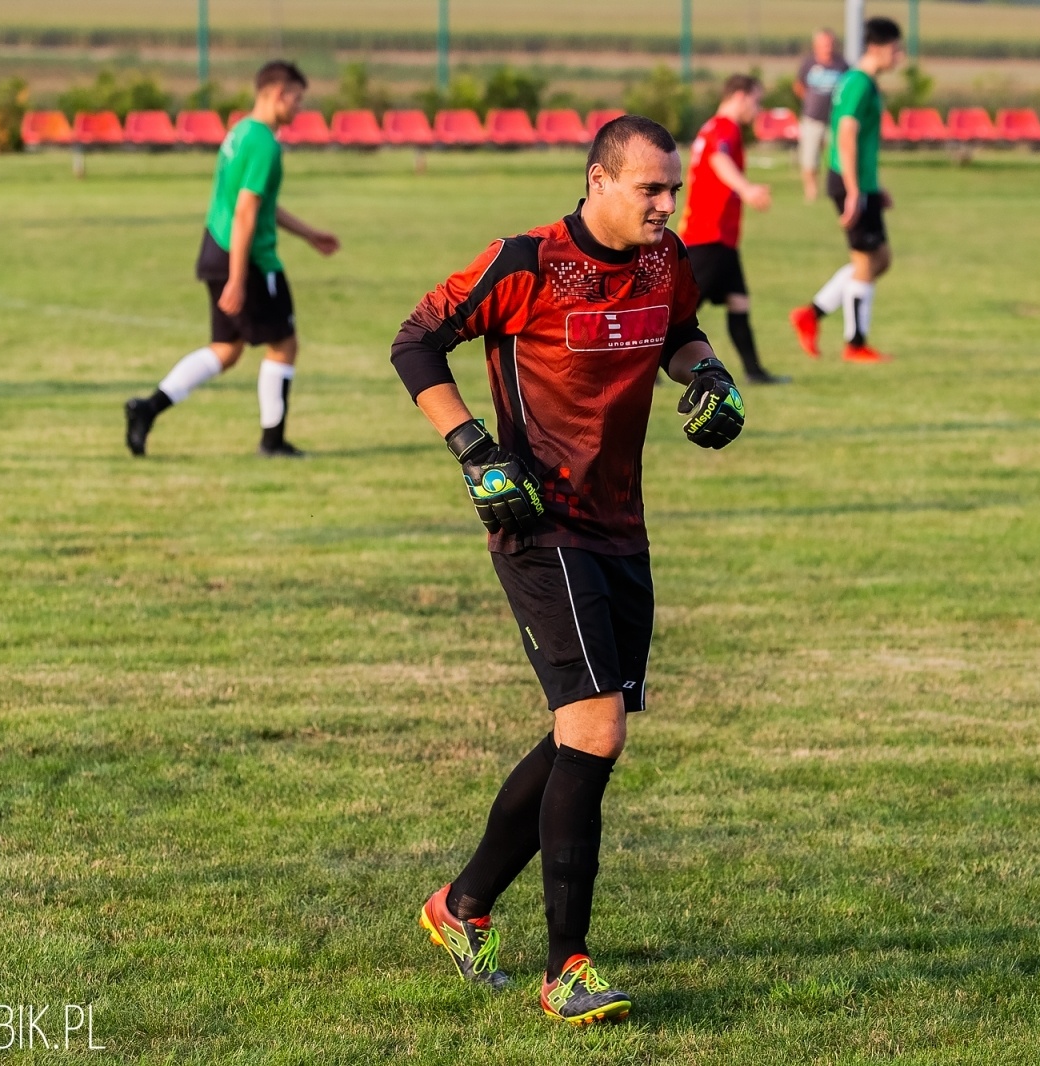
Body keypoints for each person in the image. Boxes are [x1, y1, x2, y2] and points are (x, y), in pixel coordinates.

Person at [390, 115, 745, 1026]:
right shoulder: (526, 263)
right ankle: (567, 968)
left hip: (622, 526)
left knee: (581, 734)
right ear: (598, 181)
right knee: (596, 731)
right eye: (650, 190)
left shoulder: (667, 265)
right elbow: (416, 341)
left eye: (675, 190)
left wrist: (706, 377)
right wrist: (472, 449)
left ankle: (461, 904)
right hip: (538, 524)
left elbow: (683, 333)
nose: (668, 205)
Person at [125, 60, 340, 458]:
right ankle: (272, 442)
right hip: (247, 260)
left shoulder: (239, 133)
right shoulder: (263, 143)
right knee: (283, 344)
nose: (299, 108)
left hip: (215, 249)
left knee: (226, 349)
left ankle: (146, 409)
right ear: (277, 93)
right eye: (297, 99)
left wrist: (309, 234)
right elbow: (245, 212)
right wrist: (239, 278)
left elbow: (258, 205)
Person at [790, 17, 903, 364]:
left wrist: (873, 187)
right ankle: (855, 344)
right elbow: (847, 134)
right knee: (866, 261)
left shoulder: (860, 80)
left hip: (860, 182)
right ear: (880, 48)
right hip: (848, 181)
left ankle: (811, 314)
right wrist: (855, 190)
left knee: (878, 259)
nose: (899, 58)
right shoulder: (858, 83)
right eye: (897, 50)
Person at [677, 73, 788, 386]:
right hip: (708, 235)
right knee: (682, 310)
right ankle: (645, 366)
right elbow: (719, 159)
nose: (758, 108)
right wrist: (747, 188)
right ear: (740, 96)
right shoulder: (725, 127)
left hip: (719, 235)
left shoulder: (712, 127)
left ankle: (754, 371)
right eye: (756, 100)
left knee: (738, 301)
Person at [794, 28, 849, 203]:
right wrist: (810, 100)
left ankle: (837, 188)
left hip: (835, 119)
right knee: (810, 158)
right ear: (816, 45)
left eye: (831, 43)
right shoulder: (808, 64)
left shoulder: (842, 65)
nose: (828, 47)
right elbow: (799, 85)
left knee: (837, 157)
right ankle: (811, 191)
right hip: (812, 118)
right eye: (824, 44)